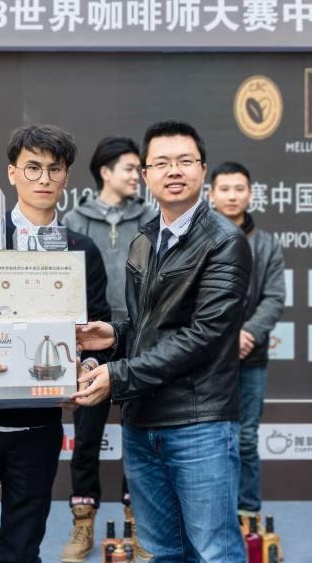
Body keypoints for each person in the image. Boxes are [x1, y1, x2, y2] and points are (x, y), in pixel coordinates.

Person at [72, 120, 252, 563]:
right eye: (162, 162)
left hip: (199, 424)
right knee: (161, 551)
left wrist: (117, 376)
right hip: (142, 424)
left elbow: (203, 335)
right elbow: (151, 325)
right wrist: (115, 334)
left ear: (202, 169)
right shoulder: (144, 241)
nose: (174, 170)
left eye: (185, 161)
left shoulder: (225, 242)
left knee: (213, 552)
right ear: (147, 174)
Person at [0, 124, 111, 563]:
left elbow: (99, 330)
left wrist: (87, 369)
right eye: (32, 168)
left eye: (54, 169)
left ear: (66, 177)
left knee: (22, 551)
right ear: (12, 173)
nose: (43, 179)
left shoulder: (80, 249)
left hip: (39, 427)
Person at [61, 137, 156, 563]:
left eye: (140, 169)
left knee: (141, 437)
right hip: (91, 340)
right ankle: (83, 525)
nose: (138, 176)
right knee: (86, 438)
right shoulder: (74, 220)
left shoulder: (151, 216)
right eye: (130, 168)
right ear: (105, 172)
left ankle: (139, 527)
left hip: (139, 338)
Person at [208, 161, 285, 538]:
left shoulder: (267, 244)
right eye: (224, 189)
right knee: (207, 439)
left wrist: (247, 333)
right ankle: (211, 514)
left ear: (251, 194)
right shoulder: (200, 239)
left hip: (250, 357)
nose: (232, 195)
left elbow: (274, 298)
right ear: (211, 195)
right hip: (206, 359)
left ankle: (249, 515)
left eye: (239, 188)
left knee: (246, 438)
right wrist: (224, 337)